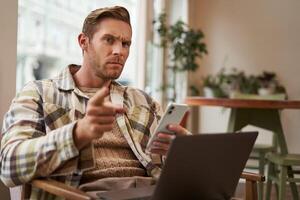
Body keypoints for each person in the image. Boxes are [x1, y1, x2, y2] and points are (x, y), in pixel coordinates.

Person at [0, 6, 189, 199]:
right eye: (109, 40)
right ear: (84, 42)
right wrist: (78, 133)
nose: (119, 51)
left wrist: (183, 151)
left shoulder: (143, 101)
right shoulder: (39, 93)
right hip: (86, 195)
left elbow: (169, 169)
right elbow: (8, 165)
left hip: (151, 192)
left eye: (126, 44)